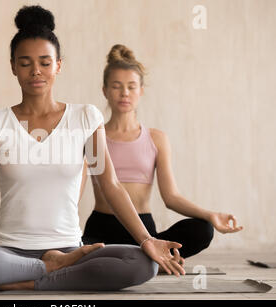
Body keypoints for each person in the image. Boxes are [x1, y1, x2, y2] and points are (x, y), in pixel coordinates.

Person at [0, 6, 185, 293]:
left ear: (58, 65)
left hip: (69, 249)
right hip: (8, 253)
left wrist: (146, 239)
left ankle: (25, 282)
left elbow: (111, 185)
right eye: (26, 62)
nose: (36, 71)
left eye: (45, 61)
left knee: (142, 263)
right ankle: (47, 269)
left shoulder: (85, 118)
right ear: (13, 66)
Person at [81, 44, 244, 267]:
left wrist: (211, 215)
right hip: (101, 229)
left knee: (202, 229)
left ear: (141, 90)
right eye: (117, 86)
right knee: (76, 249)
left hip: (143, 230)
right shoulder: (92, 137)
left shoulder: (156, 139)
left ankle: (147, 258)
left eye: (131, 86)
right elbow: (75, 190)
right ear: (105, 90)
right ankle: (146, 263)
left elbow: (171, 197)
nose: (124, 93)